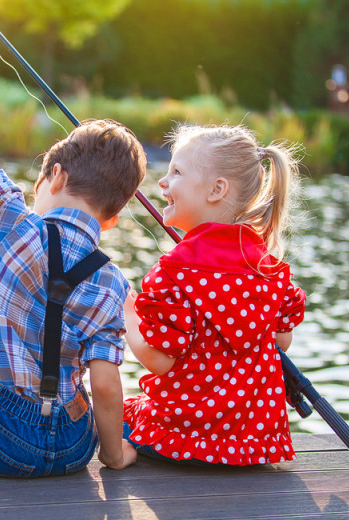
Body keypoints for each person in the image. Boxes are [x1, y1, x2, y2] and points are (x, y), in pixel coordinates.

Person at [0, 14, 144, 477]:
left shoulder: (15, 223)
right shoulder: (113, 282)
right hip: (76, 445)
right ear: (113, 220)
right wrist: (113, 455)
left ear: (54, 175)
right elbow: (105, 383)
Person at [122, 124, 306, 466]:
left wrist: (128, 311)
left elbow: (159, 360)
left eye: (176, 172)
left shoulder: (173, 273)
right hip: (253, 447)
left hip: (180, 438)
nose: (163, 182)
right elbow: (281, 341)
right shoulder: (269, 269)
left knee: (107, 416)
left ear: (216, 189)